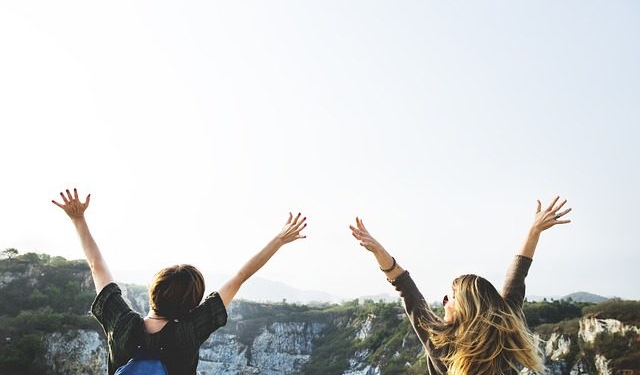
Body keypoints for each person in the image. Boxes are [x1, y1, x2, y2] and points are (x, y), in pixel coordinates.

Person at [53, 188, 307, 375]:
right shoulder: (189, 330)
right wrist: (278, 240)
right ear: (193, 302)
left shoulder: (122, 324)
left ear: (153, 291)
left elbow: (97, 267)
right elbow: (239, 278)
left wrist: (78, 219)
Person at [349, 196, 572, 375]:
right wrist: (534, 232)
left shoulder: (440, 342)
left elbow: (406, 289)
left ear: (465, 308)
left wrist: (378, 251)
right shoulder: (504, 332)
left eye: (450, 298)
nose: (445, 302)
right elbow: (517, 274)